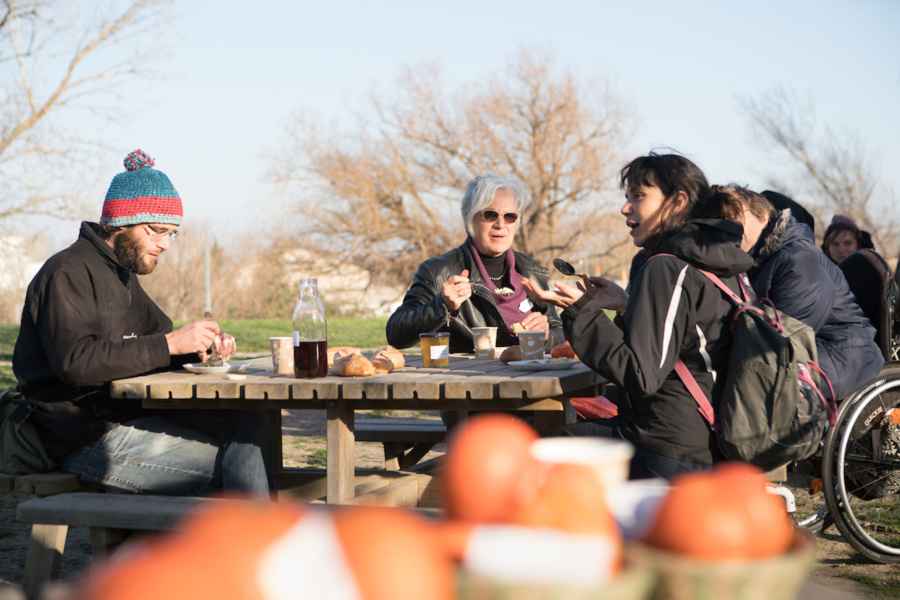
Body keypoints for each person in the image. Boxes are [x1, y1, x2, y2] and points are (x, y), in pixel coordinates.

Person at [12, 150, 275, 498]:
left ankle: (251, 538)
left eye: (172, 234)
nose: (165, 245)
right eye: (157, 231)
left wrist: (201, 345)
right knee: (238, 460)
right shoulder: (67, 272)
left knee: (252, 420)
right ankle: (247, 545)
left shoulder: (123, 275)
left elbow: (160, 342)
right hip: (83, 437)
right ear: (122, 222)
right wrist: (171, 344)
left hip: (131, 416)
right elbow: (75, 363)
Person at [522, 153, 753, 480]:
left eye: (638, 196)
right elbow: (692, 337)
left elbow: (641, 375)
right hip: (713, 443)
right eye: (627, 196)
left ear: (677, 201)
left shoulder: (666, 267)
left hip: (666, 449)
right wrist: (629, 304)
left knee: (522, 457)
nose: (625, 207)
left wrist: (581, 311)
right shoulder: (723, 265)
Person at [698, 185, 884, 400]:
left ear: (762, 215)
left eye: (736, 218)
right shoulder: (753, 260)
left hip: (844, 357)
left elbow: (786, 337)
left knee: (742, 381)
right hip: (815, 350)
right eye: (723, 221)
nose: (731, 228)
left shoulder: (799, 260)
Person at [386, 174, 565, 354]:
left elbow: (561, 334)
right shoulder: (439, 271)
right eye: (490, 215)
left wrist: (547, 336)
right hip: (469, 378)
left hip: (531, 377)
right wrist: (442, 306)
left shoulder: (530, 270)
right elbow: (395, 333)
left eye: (510, 216)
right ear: (469, 220)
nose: (501, 224)